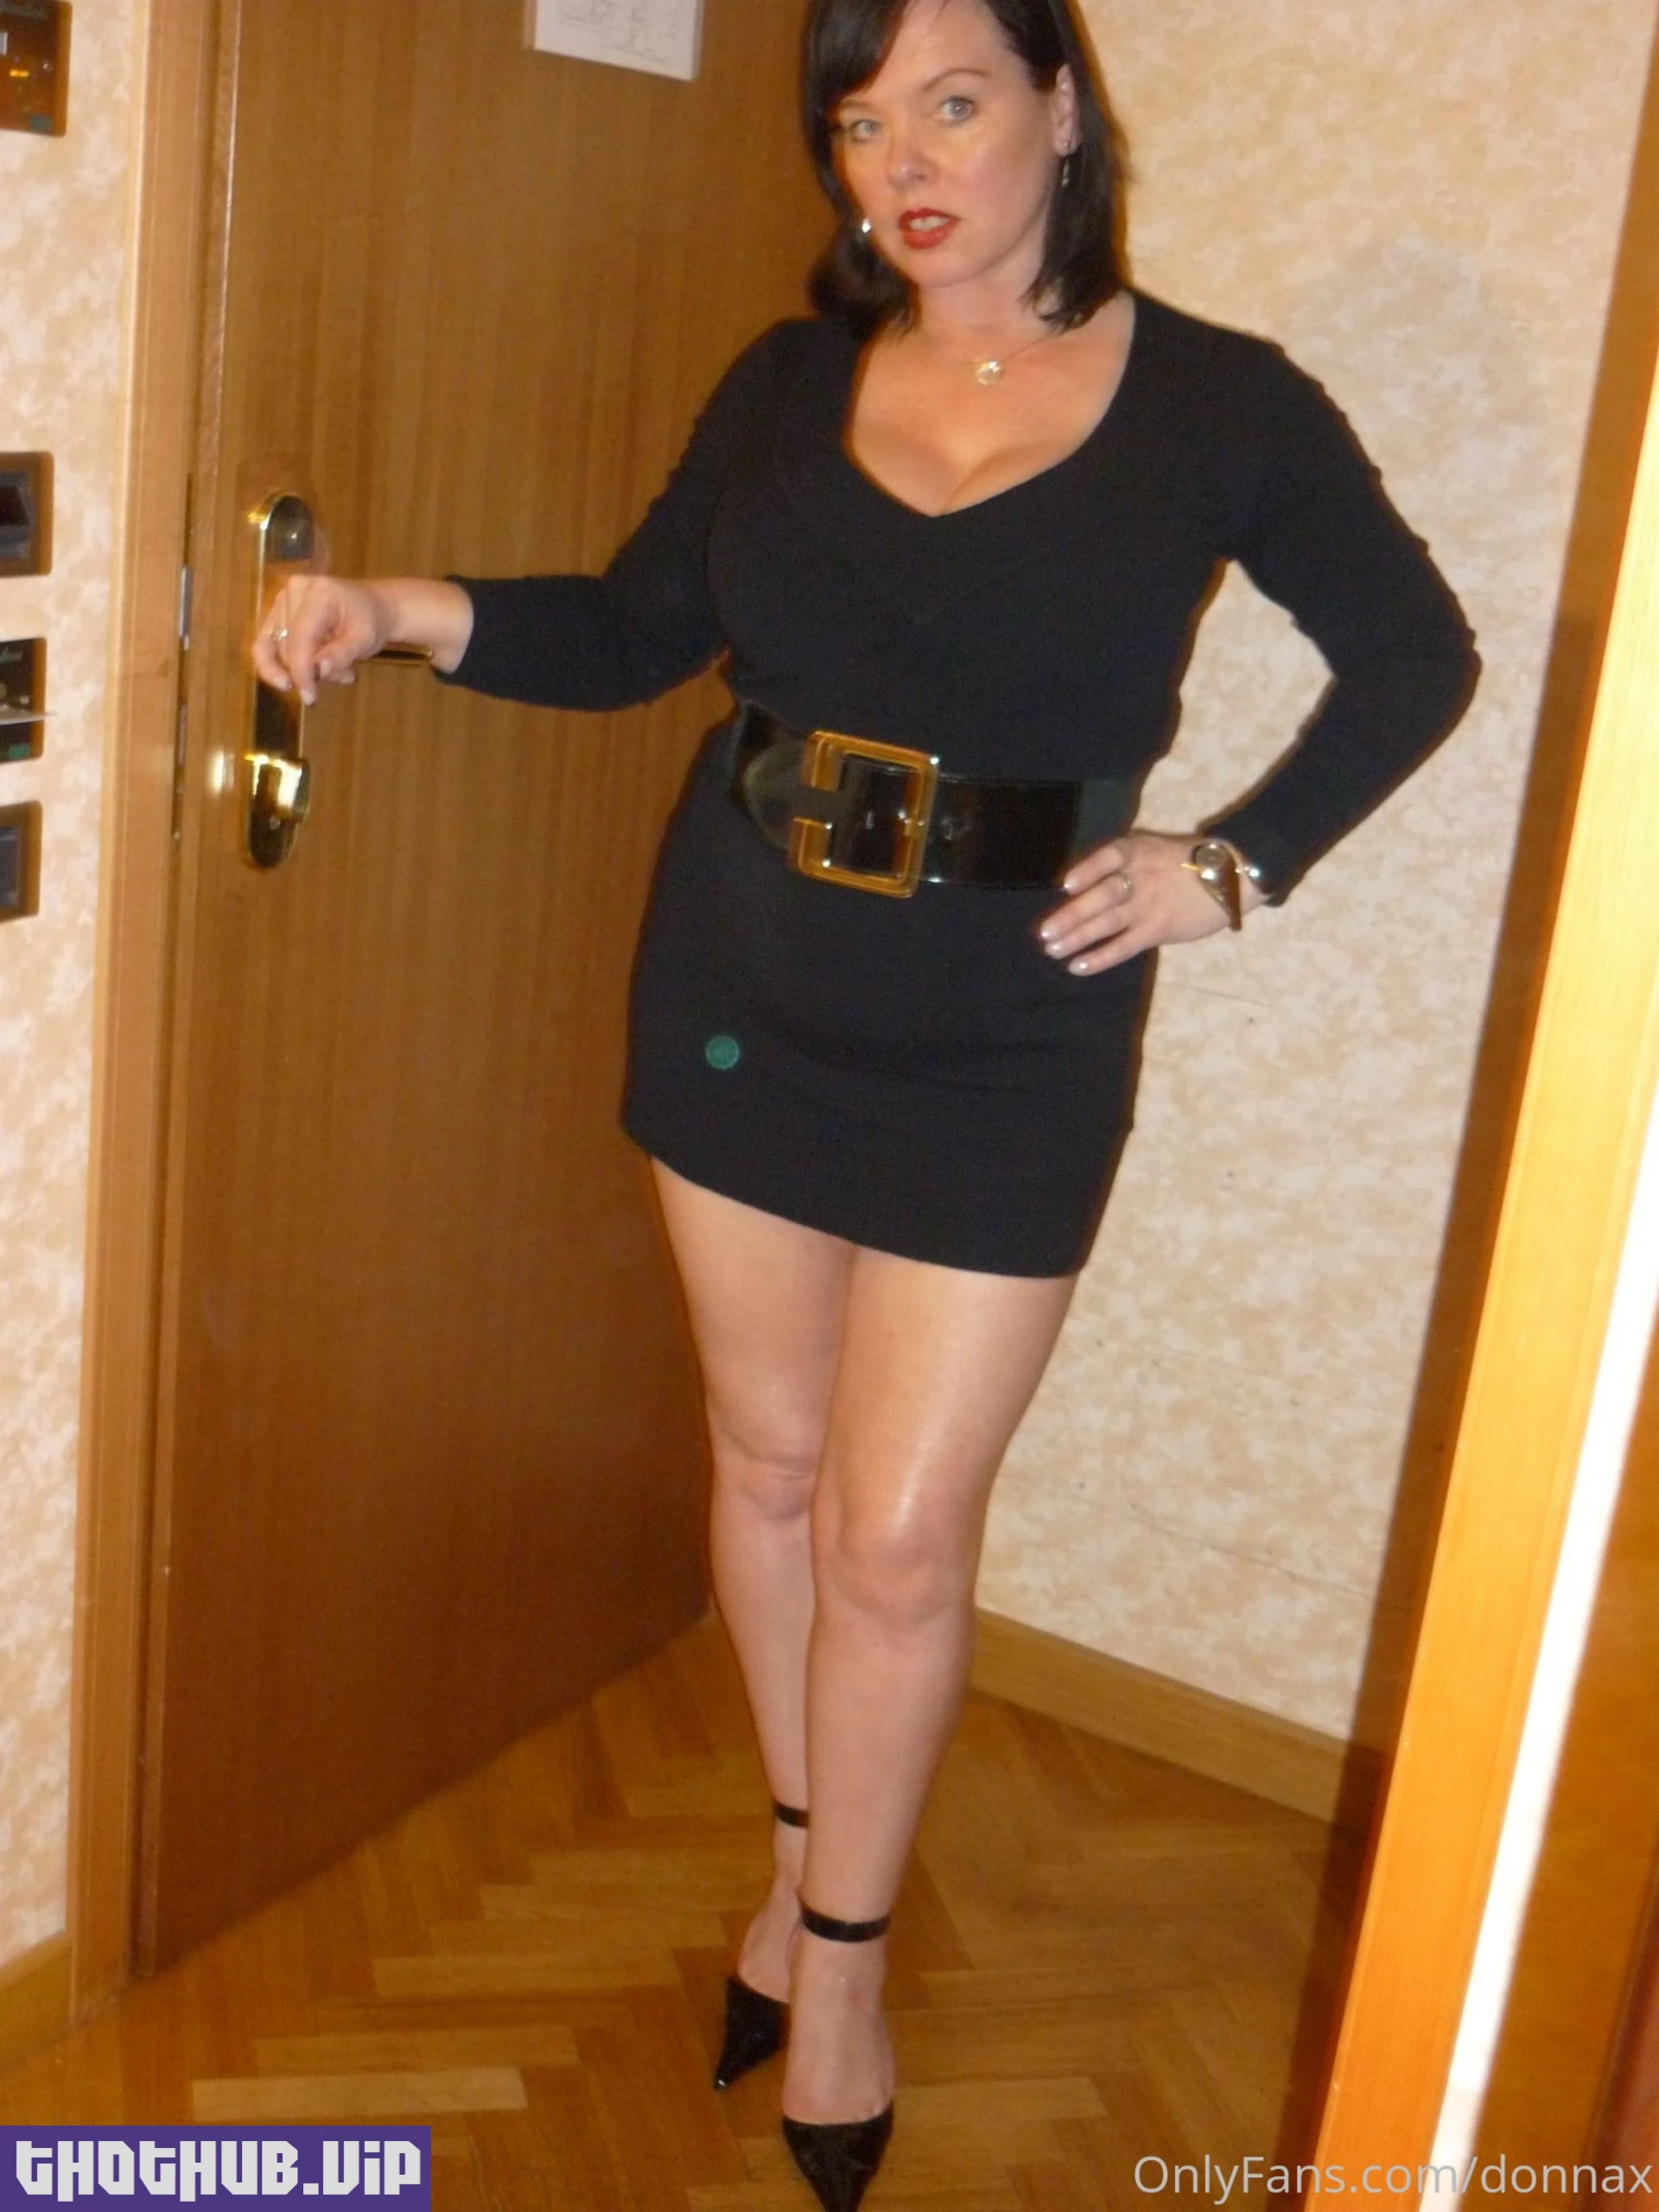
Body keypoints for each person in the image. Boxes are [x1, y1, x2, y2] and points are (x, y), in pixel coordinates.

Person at [254, 0, 1478, 2201]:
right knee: (771, 1461)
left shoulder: (1225, 403)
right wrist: (396, 606)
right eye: (859, 119)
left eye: (952, 102)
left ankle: (841, 1965)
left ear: (1061, 111)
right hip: (741, 983)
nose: (900, 159)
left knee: (897, 1535)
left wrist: (1234, 861)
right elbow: (634, 626)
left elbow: (1418, 653)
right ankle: (804, 1860)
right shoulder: (782, 380)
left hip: (1014, 1030)